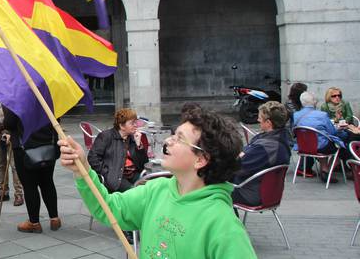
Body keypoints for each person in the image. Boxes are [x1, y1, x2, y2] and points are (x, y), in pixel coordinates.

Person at [58, 110, 257, 258]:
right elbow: (109, 208)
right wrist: (82, 168)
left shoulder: (223, 224)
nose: (168, 141)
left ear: (201, 159)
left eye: (179, 138)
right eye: (173, 134)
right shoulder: (157, 189)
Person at [3, 107, 61, 234]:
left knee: (30, 186)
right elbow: (57, 119)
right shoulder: (46, 96)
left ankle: (34, 222)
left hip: (25, 147)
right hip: (47, 144)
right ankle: (54, 218)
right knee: (47, 182)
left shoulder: (18, 99)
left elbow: (8, 123)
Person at [232, 101, 291, 205]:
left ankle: (229, 220)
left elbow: (238, 168)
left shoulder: (265, 147)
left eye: (260, 117)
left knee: (212, 188)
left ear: (268, 123)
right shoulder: (281, 137)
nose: (258, 120)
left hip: (251, 192)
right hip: (266, 191)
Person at [87, 108, 148, 193]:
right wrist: (107, 172)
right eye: (132, 123)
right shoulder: (106, 136)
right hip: (115, 176)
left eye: (135, 122)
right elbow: (92, 158)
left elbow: (144, 163)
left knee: (150, 187)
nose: (135, 125)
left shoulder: (132, 138)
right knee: (134, 192)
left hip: (133, 174)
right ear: (122, 126)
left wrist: (139, 145)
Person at [293, 92, 347, 183]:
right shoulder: (322, 115)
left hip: (304, 147)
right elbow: (332, 132)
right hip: (321, 146)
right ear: (315, 102)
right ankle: (327, 172)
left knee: (322, 139)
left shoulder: (295, 115)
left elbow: (295, 131)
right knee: (340, 145)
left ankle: (324, 170)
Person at [0, 101, 24, 206]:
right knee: (1, 164)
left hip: (10, 131)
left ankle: (19, 193)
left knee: (14, 165)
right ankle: (3, 192)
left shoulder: (8, 95)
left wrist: (8, 131)